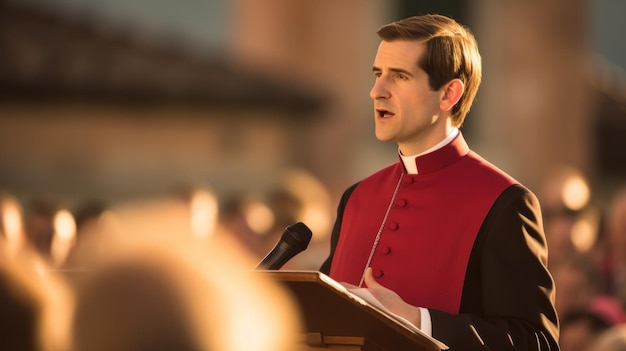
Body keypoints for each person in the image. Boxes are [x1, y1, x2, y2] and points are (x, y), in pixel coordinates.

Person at [319, 14, 559, 350]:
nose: (377, 91)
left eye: (399, 76)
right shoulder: (356, 197)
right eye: (377, 74)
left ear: (448, 94)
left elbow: (536, 342)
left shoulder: (504, 203)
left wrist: (419, 320)